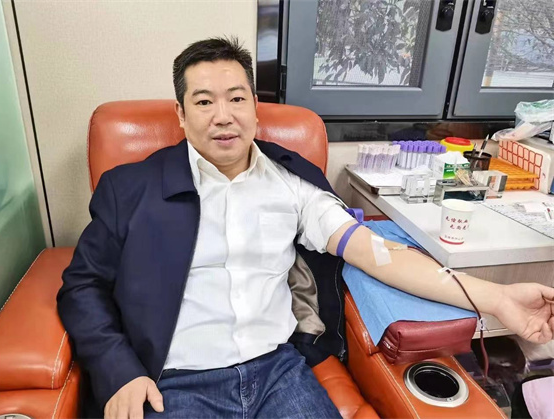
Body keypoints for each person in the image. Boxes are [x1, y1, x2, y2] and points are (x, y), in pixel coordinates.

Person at [57, 37, 554, 419]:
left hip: (277, 371)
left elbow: (376, 253)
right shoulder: (131, 188)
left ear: (255, 107)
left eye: (236, 98)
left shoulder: (292, 183)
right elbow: (82, 286)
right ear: (181, 115)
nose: (223, 116)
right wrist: (120, 370)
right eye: (204, 102)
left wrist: (497, 299)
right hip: (175, 381)